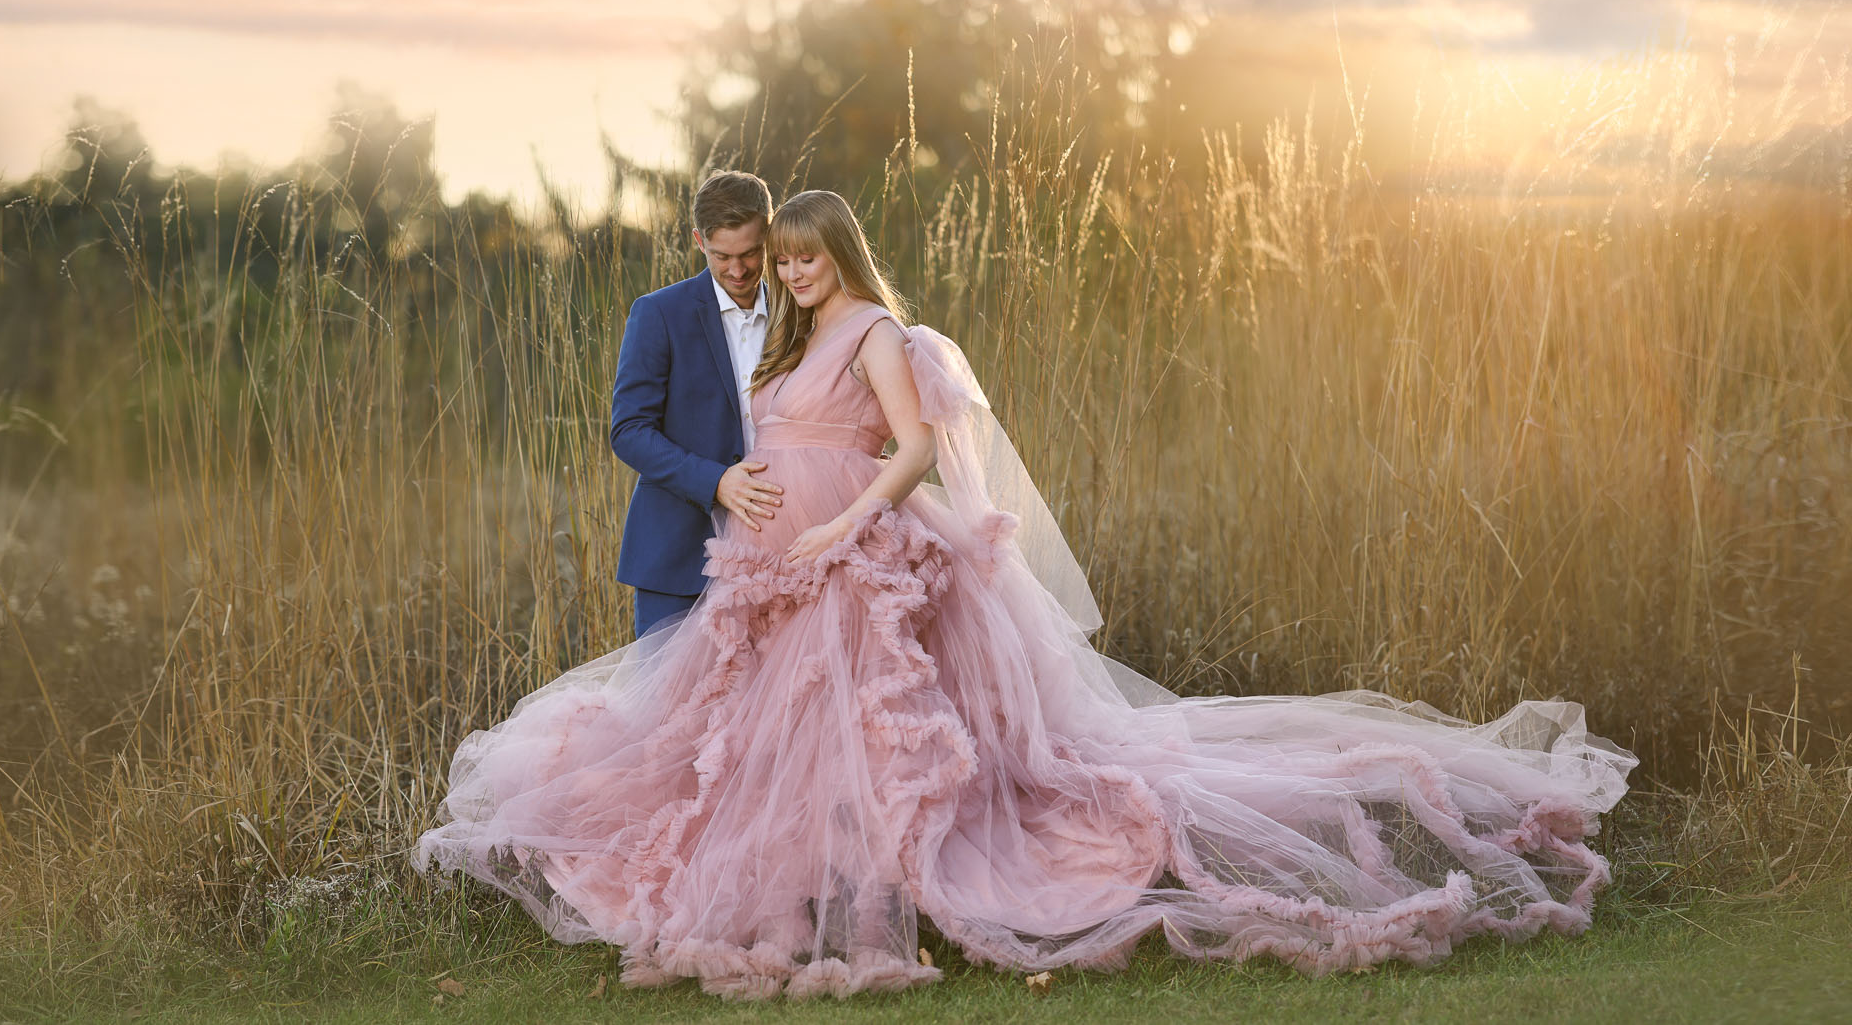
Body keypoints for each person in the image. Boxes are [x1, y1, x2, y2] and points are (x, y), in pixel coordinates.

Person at [416, 190, 1636, 1002]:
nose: (786, 273)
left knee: (889, 727)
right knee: (758, 740)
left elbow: (902, 450)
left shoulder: (879, 331)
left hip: (856, 551)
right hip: (773, 560)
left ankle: (907, 887)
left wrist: (848, 517)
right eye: (775, 260)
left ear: (836, 254)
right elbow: (708, 428)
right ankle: (820, 883)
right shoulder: (780, 337)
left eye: (802, 255)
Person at [608, 170, 786, 638]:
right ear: (698, 241)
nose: (739, 270)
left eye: (751, 253)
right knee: (668, 711)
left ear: (770, 236)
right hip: (679, 556)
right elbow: (628, 431)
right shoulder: (658, 313)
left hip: (782, 552)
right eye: (722, 256)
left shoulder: (800, 313)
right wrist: (716, 482)